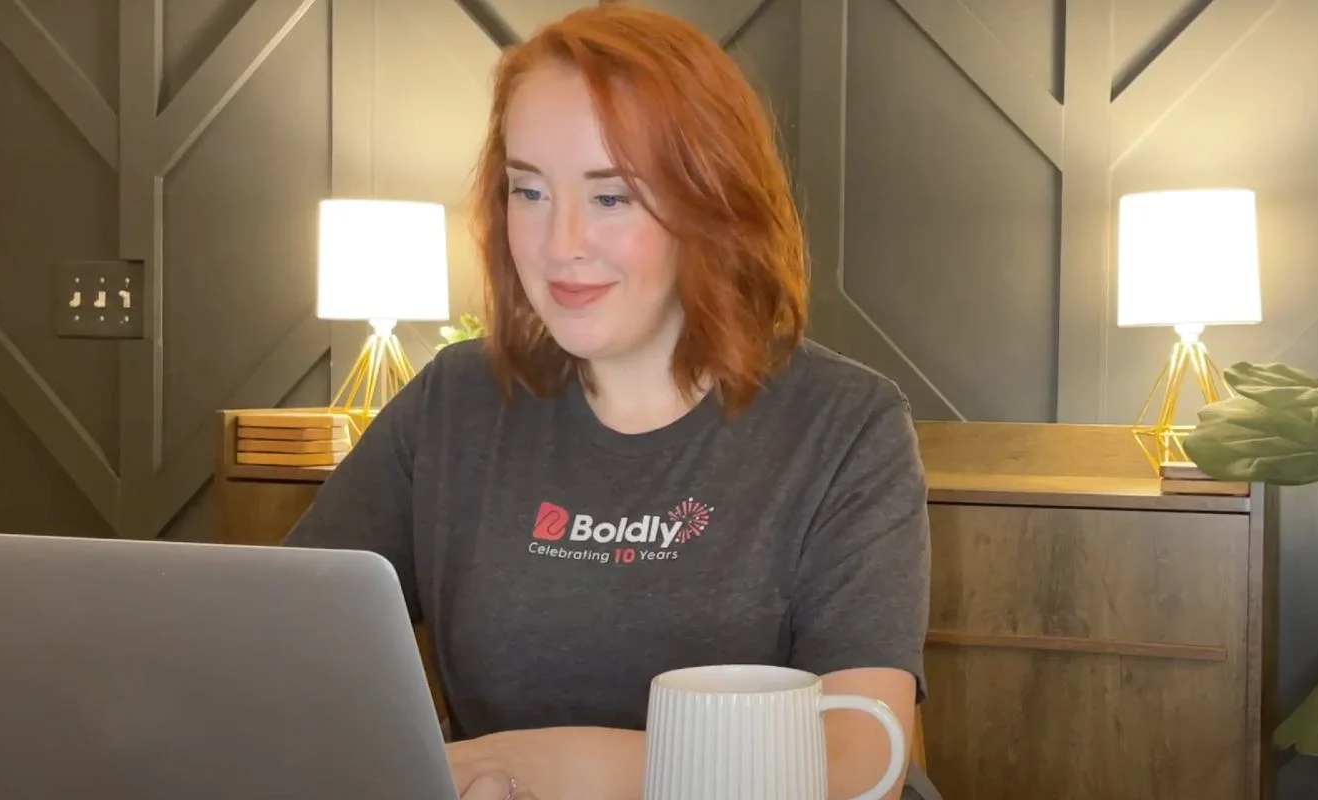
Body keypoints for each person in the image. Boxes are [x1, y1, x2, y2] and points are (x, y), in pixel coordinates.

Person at [281, 3, 936, 799]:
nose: (560, 245)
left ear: (710, 200)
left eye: (612, 197)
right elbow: (281, 647)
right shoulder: (454, 402)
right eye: (528, 191)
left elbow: (856, 761)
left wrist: (516, 767)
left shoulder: (846, 424)